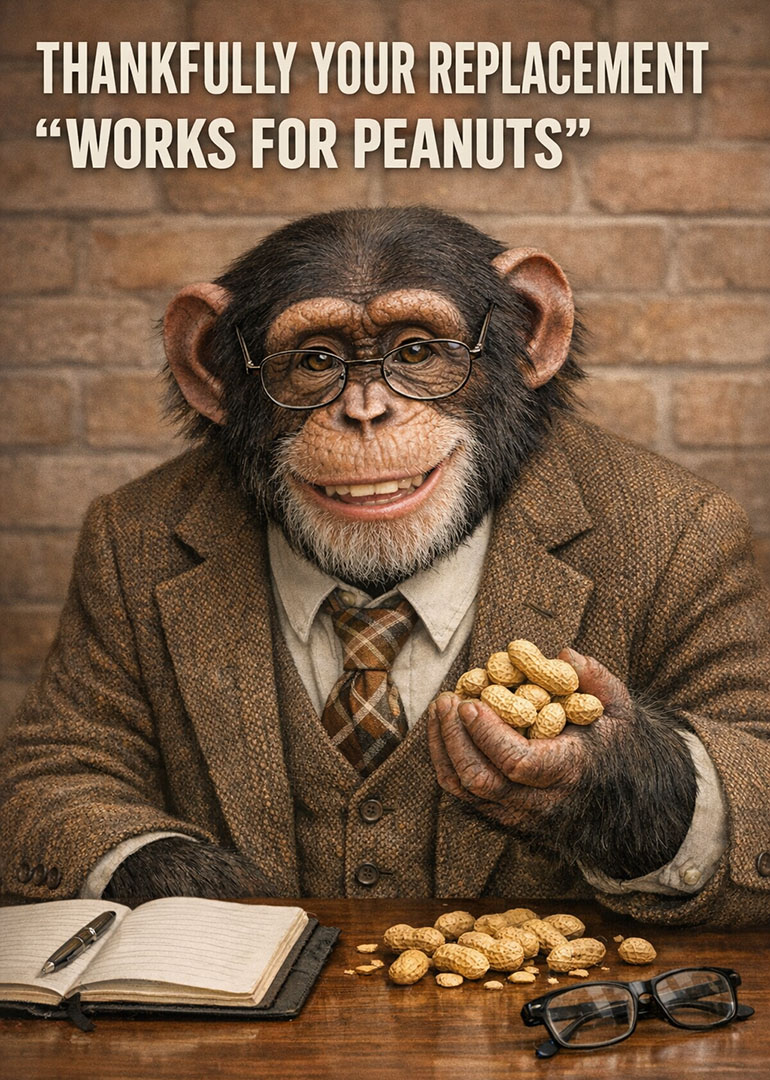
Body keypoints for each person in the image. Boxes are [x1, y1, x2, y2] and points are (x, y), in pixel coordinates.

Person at [1, 207, 768, 925]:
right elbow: (54, 773)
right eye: (313, 360)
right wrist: (163, 873)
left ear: (533, 335)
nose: (366, 409)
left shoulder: (671, 530)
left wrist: (630, 789)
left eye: (416, 351)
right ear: (210, 371)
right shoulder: (138, 537)